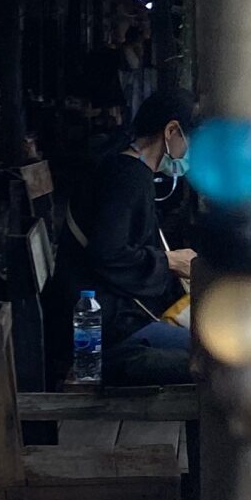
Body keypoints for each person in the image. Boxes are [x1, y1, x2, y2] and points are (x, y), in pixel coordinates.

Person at [70, 87, 198, 384]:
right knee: (213, 356)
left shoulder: (121, 167)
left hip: (102, 320)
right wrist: (168, 262)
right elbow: (108, 254)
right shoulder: (129, 178)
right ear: (171, 131)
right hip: (104, 332)